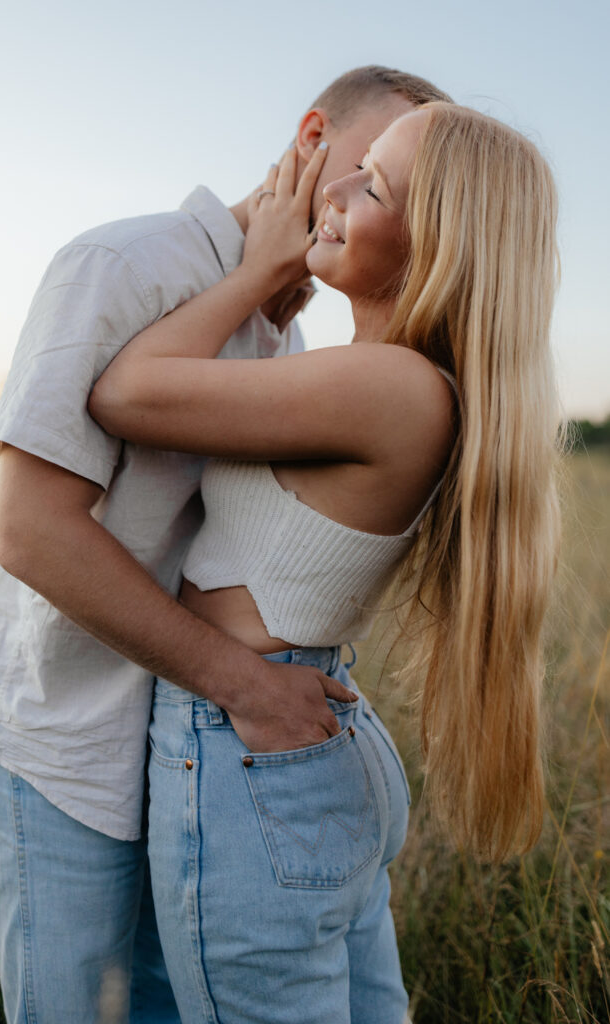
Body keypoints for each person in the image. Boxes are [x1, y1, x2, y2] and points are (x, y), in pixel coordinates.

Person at [0, 67, 451, 1024]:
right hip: (68, 742)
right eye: (366, 166)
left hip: (199, 754)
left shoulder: (285, 336)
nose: (351, 198)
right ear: (310, 139)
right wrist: (247, 683)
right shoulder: (125, 265)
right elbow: (31, 533)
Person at [89, 101, 561, 1023]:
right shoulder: (394, 379)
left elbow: (123, 392)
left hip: (250, 744)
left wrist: (256, 268)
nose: (333, 187)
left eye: (372, 183)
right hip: (301, 743)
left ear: (438, 248)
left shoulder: (383, 387)